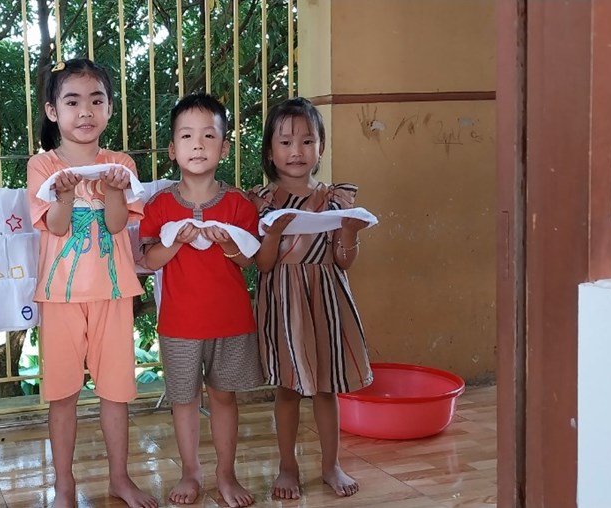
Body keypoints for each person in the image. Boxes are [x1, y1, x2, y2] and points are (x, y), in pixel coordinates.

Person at [26, 58, 158, 508]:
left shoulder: (120, 163)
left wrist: (116, 189)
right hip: (59, 296)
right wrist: (64, 196)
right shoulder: (42, 165)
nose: (85, 111)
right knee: (62, 395)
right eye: (73, 101)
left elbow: (118, 224)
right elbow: (57, 227)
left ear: (109, 108)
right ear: (52, 111)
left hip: (113, 292)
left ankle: (120, 478)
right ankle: (64, 485)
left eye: (96, 100)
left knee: (115, 393)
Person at [138, 93, 264, 507]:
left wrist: (228, 243)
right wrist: (176, 243)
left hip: (231, 321)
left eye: (208, 136)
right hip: (179, 324)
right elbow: (149, 259)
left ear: (224, 148)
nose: (197, 145)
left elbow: (249, 260)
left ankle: (226, 475)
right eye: (187, 136)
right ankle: (190, 473)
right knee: (184, 400)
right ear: (172, 150)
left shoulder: (238, 204)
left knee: (225, 397)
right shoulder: (159, 206)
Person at [250, 97, 373, 499]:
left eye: (307, 141)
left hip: (325, 301)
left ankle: (331, 465)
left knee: (325, 387)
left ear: (321, 147)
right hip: (284, 302)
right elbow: (263, 265)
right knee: (288, 389)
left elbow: (343, 261)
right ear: (270, 150)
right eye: (285, 142)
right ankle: (287, 467)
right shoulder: (263, 201)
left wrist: (349, 232)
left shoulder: (335, 198)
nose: (296, 151)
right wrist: (272, 233)